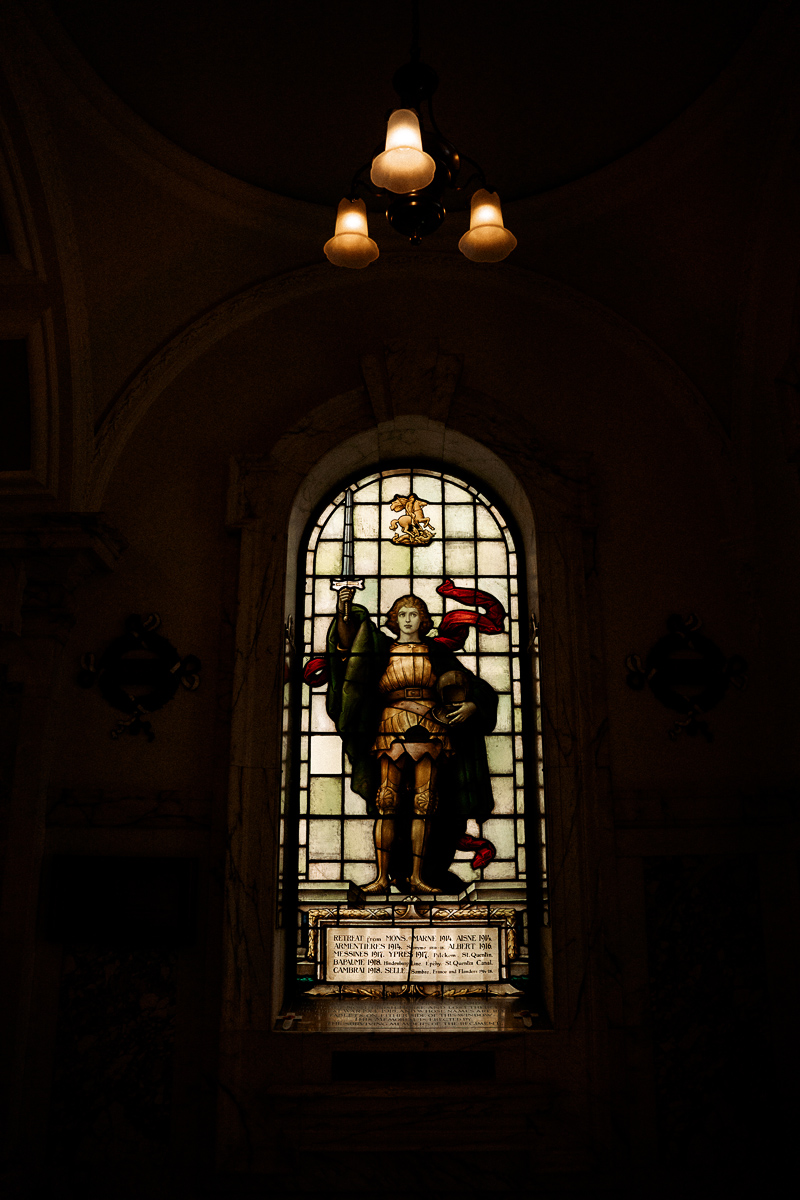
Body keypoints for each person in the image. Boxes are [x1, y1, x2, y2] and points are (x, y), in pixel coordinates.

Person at [326, 585, 499, 894]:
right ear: (394, 619)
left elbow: (474, 686)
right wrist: (344, 611)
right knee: (387, 801)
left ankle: (419, 877)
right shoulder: (380, 649)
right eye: (402, 614)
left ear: (424, 620)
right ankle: (381, 878)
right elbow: (352, 644)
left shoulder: (437, 653)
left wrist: (473, 705)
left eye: (414, 614)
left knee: (425, 802)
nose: (408, 619)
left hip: (431, 726)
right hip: (391, 722)